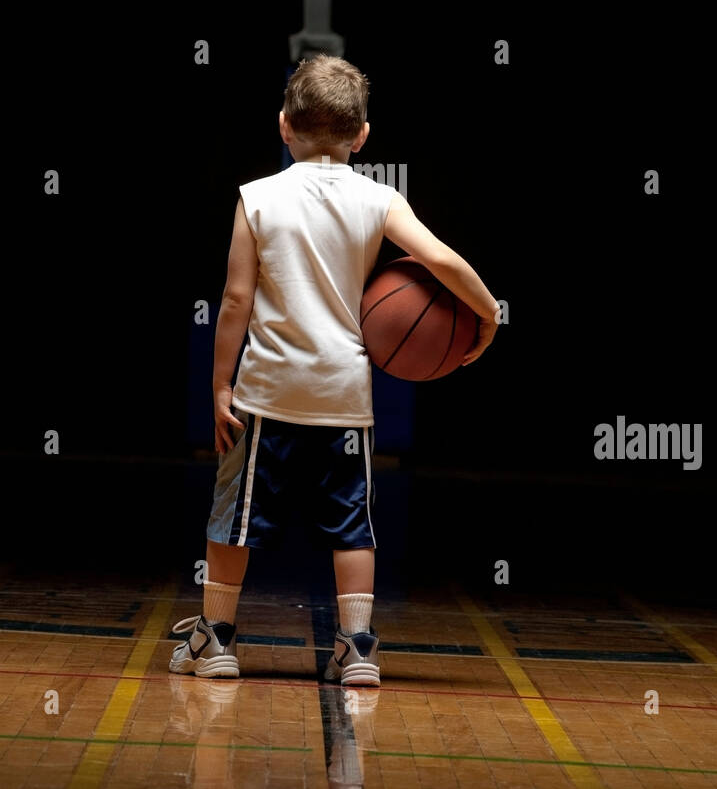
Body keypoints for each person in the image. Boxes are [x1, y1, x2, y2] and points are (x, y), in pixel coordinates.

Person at [170, 54, 499, 686]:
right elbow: (437, 258)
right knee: (353, 526)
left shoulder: (256, 197)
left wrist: (220, 385)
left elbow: (236, 300)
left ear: (283, 125)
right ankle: (357, 648)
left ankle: (216, 641)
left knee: (235, 518)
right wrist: (487, 314)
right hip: (345, 395)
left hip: (268, 391)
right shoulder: (379, 198)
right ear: (363, 135)